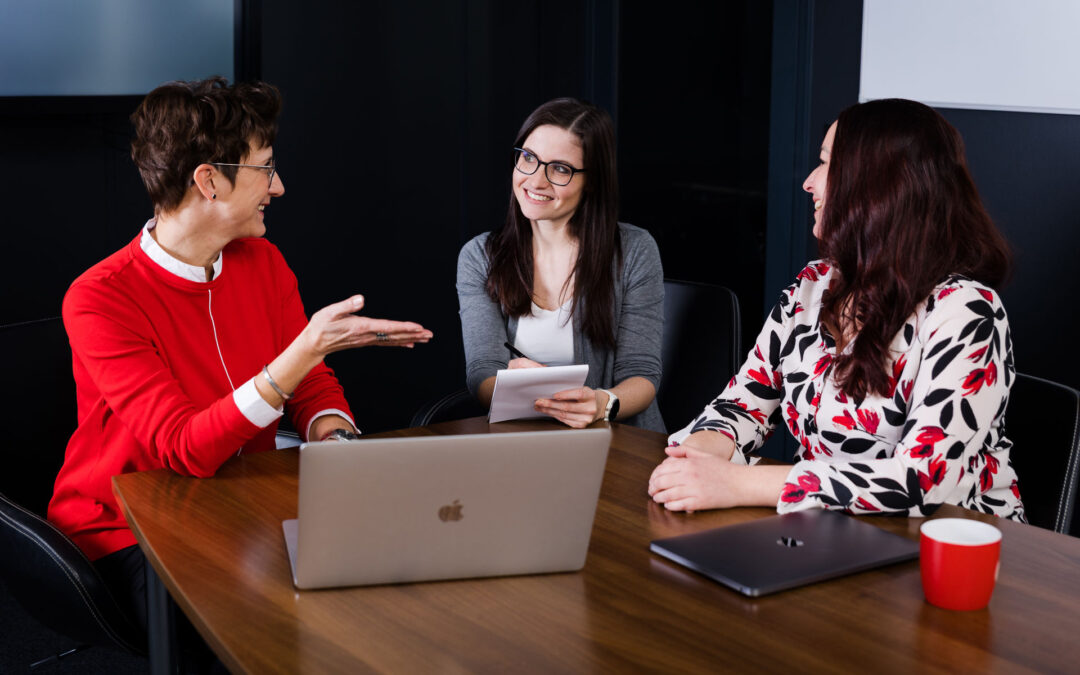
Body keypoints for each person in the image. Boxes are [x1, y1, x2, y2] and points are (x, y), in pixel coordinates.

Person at [48, 77, 432, 656]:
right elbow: (185, 448)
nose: (278, 186)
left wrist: (336, 439)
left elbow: (311, 385)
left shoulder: (263, 261)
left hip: (239, 503)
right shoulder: (100, 298)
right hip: (126, 529)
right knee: (248, 628)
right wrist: (304, 352)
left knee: (384, 584)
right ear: (209, 181)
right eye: (266, 168)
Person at [649, 98, 1025, 520]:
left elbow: (923, 481)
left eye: (827, 163)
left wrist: (737, 483)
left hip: (957, 544)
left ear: (879, 185)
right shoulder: (813, 285)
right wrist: (694, 457)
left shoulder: (967, 311)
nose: (808, 182)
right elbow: (742, 406)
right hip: (836, 534)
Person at [457, 98, 664, 431]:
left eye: (560, 169)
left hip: (614, 440)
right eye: (528, 158)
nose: (536, 181)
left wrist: (601, 403)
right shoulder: (480, 256)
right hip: (520, 439)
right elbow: (482, 372)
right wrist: (516, 388)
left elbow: (642, 374)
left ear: (592, 180)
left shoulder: (634, 250)